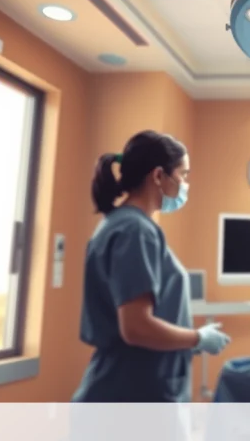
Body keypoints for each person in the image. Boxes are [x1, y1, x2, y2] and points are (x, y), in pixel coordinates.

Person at [72, 130, 230, 402]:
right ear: (158, 176)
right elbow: (136, 327)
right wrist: (196, 338)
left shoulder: (123, 225)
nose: (185, 184)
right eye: (183, 175)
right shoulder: (135, 231)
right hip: (129, 396)